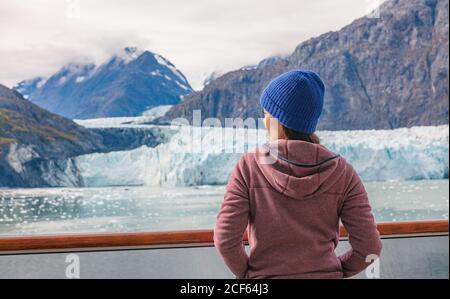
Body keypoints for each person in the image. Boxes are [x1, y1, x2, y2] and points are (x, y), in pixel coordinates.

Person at [213, 70, 382, 279]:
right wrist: (336, 270)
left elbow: (225, 239)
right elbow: (369, 246)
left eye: (266, 113)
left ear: (277, 119)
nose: (264, 121)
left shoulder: (249, 167)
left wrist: (250, 275)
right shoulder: (343, 172)